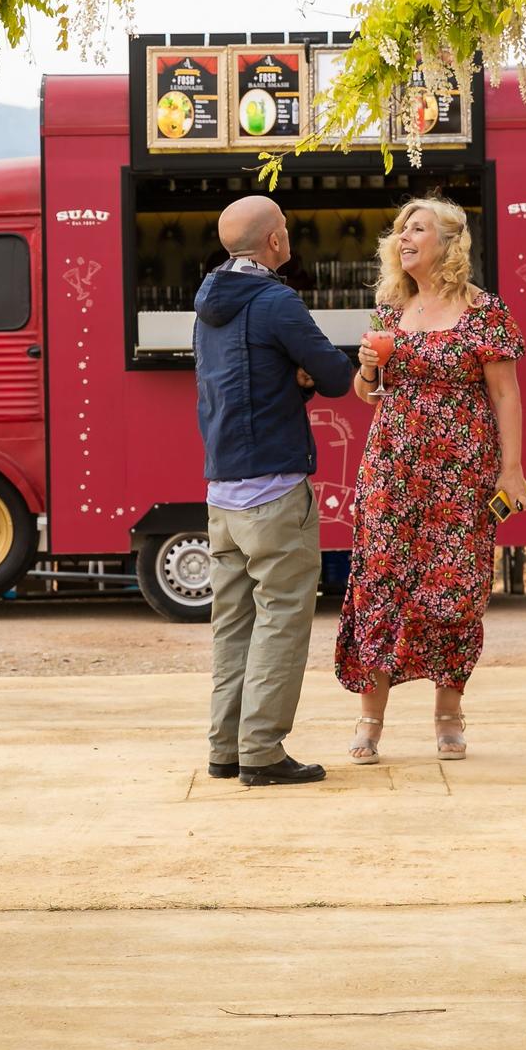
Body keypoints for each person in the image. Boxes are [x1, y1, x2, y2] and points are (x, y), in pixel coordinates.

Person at [337, 198, 526, 764]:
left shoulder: (483, 311)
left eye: (417, 228)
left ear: (448, 242)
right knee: (380, 583)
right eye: (400, 229)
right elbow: (367, 394)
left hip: (461, 470)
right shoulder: (390, 310)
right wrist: (368, 367)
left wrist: (510, 469)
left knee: (455, 588)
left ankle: (449, 713)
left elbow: (505, 395)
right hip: (392, 468)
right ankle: (369, 719)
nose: (404, 237)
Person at [194, 196, 355, 787]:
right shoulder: (276, 302)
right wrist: (306, 375)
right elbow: (338, 376)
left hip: (222, 491)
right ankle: (261, 751)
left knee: (232, 623)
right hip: (274, 490)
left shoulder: (207, 303)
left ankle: (225, 747)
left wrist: (290, 378)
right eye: (284, 232)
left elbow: (237, 386)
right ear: (275, 243)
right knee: (283, 618)